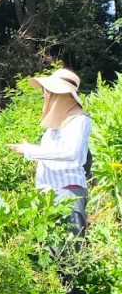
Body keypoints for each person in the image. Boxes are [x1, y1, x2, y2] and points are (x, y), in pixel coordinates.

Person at [7, 68, 91, 237]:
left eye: (48, 91)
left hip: (68, 193)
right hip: (51, 192)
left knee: (68, 252)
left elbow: (71, 153)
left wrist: (31, 151)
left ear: (61, 95)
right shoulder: (59, 123)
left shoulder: (79, 120)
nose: (45, 94)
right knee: (51, 252)